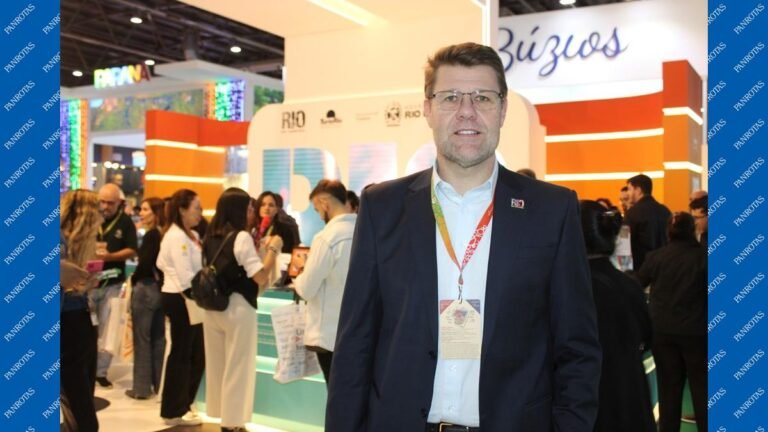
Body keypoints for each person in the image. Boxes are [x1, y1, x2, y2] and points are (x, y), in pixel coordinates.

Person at [326, 42, 601, 431]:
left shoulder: (551, 211)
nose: (467, 111)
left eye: (483, 98)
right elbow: (355, 344)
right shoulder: (381, 207)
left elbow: (577, 348)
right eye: (451, 97)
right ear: (427, 108)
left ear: (503, 110)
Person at [201, 188, 284, 432]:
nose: (252, 212)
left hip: (213, 306)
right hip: (238, 307)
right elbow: (260, 276)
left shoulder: (210, 235)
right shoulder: (241, 237)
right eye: (249, 207)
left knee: (218, 365)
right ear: (238, 209)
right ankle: (233, 422)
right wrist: (273, 250)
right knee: (239, 365)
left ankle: (222, 415)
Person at [580, 201, 655, 432]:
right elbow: (646, 337)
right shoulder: (629, 285)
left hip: (587, 398)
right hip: (630, 395)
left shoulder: (569, 289)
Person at [635, 212, 707, 432]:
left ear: (669, 232)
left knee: (668, 389)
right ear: (692, 230)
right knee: (702, 388)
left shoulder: (656, 257)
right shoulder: (705, 257)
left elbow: (638, 284)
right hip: (697, 332)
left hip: (662, 332)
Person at [292, 180, 357, 385]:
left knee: (336, 393)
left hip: (329, 335)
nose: (319, 215)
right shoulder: (364, 231)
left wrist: (300, 273)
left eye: (317, 209)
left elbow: (306, 289)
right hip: (359, 331)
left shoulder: (327, 237)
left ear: (324, 203)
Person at [156, 189, 205, 426]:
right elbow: (185, 276)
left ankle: (182, 405)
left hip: (188, 298)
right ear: (182, 210)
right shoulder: (176, 237)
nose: (200, 212)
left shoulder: (191, 235)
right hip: (181, 298)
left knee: (194, 354)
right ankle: (174, 410)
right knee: (183, 354)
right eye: (196, 207)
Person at [60, 190, 103, 432]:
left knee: (80, 403)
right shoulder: (60, 244)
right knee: (82, 413)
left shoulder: (78, 246)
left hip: (81, 318)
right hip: (70, 324)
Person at [92, 183, 138, 388]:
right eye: (102, 201)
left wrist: (110, 257)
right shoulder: (92, 219)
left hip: (113, 282)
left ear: (119, 203)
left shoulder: (125, 222)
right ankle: (86, 366)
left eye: (110, 203)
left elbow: (132, 249)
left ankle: (100, 371)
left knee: (108, 328)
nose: (105, 206)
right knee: (88, 328)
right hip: (89, 282)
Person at [125, 197, 167, 400]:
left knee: (142, 339)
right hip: (160, 290)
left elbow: (146, 263)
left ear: (156, 212)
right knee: (158, 338)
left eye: (145, 209)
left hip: (146, 288)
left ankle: (141, 388)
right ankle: (159, 385)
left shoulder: (152, 235)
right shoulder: (164, 233)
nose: (141, 213)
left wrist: (134, 279)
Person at [624, 174, 671, 271]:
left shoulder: (632, 213)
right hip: (664, 268)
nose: (627, 193)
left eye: (629, 189)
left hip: (641, 268)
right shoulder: (665, 211)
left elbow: (624, 245)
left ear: (638, 190)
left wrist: (625, 271)